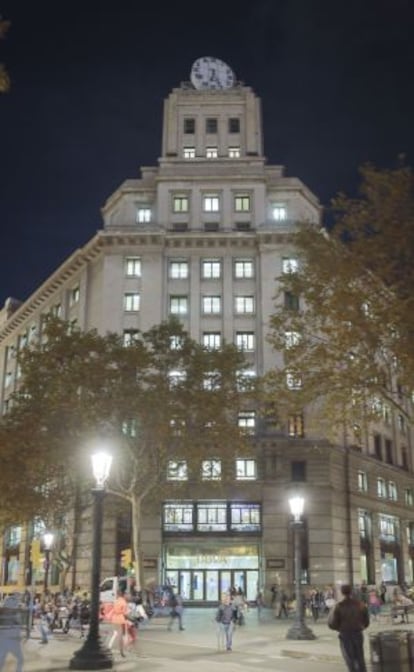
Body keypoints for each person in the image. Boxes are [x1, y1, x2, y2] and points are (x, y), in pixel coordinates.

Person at [328, 584, 369, 672]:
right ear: (351, 592)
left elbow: (332, 623)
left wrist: (339, 628)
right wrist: (361, 626)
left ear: (342, 592)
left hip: (345, 633)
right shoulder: (359, 604)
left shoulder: (339, 606)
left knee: (349, 657)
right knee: (360, 656)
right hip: (357, 632)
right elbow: (366, 620)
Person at [111, 590, 129, 657]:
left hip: (114, 618)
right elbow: (125, 612)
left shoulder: (116, 601)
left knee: (115, 634)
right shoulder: (123, 602)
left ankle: (110, 646)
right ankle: (121, 651)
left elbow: (113, 609)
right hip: (121, 619)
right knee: (120, 635)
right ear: (123, 595)